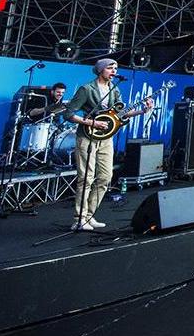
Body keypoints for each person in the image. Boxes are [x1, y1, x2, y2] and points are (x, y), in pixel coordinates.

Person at [63, 59, 153, 231]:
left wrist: (143, 110)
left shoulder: (115, 90)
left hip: (106, 137)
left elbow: (120, 114)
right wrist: (91, 123)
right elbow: (68, 114)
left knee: (105, 176)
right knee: (86, 177)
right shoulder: (86, 89)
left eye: (116, 68)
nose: (114, 71)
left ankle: (89, 215)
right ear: (100, 70)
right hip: (87, 136)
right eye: (110, 68)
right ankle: (79, 219)